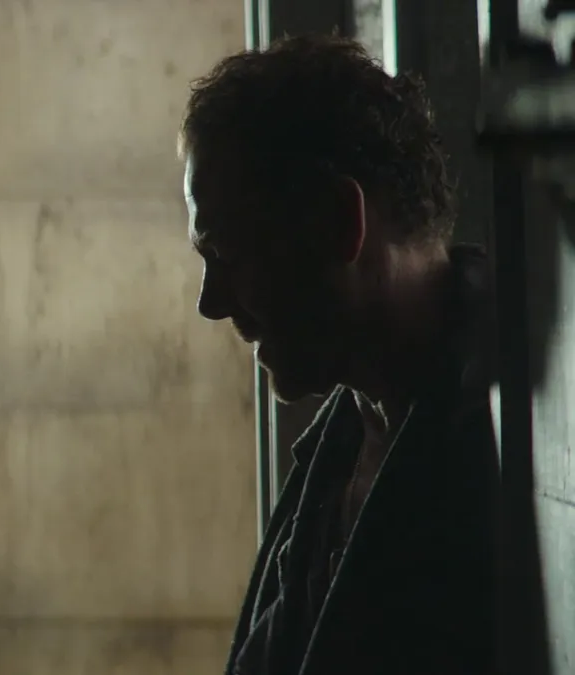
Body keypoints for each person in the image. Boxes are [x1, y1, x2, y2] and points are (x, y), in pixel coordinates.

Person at [180, 35, 500, 675]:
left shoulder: (505, 440)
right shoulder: (353, 431)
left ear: (338, 220)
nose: (211, 303)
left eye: (228, 253)